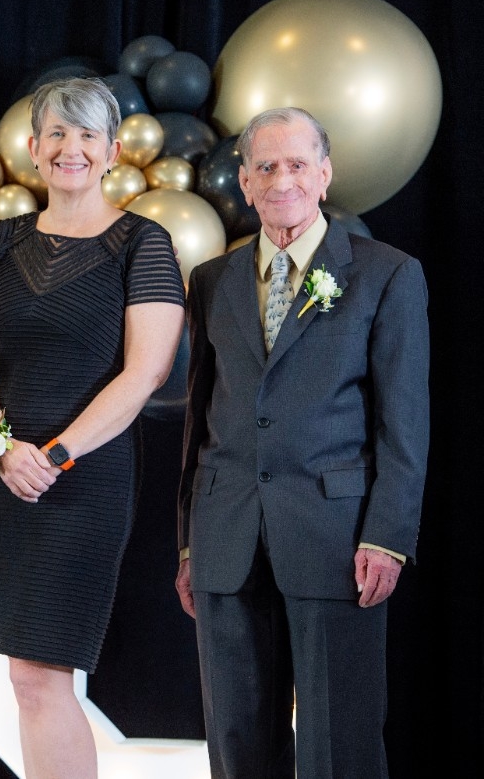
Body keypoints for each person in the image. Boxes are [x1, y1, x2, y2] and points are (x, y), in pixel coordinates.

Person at [175, 107, 429, 778]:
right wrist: (188, 540)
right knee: (237, 745)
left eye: (296, 164)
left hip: (337, 537)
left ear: (324, 174)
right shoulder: (212, 281)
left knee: (337, 743)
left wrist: (388, 534)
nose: (281, 178)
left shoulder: (387, 274)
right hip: (226, 536)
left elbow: (403, 423)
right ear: (245, 182)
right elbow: (200, 418)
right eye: (265, 166)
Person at [0, 76, 185, 778]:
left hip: (80, 479)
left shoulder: (141, 243)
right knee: (27, 679)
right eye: (56, 132)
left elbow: (143, 375)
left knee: (43, 676)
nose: (70, 147)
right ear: (33, 148)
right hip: (2, 475)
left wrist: (51, 454)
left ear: (112, 151)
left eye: (86, 135)